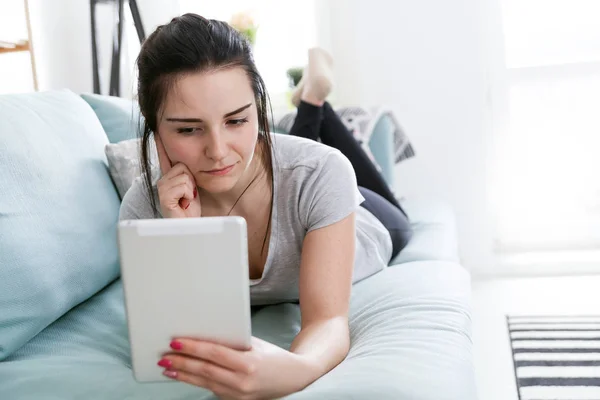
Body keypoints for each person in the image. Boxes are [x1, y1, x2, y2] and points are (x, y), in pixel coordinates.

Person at [119, 13, 412, 399]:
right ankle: (312, 104)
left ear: (258, 108)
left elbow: (328, 321)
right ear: (156, 132)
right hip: (300, 177)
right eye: (189, 129)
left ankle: (313, 103)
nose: (218, 151)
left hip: (375, 224)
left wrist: (296, 370)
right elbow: (185, 336)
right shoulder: (144, 211)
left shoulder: (322, 173)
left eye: (237, 121)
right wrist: (185, 236)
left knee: (329, 170)